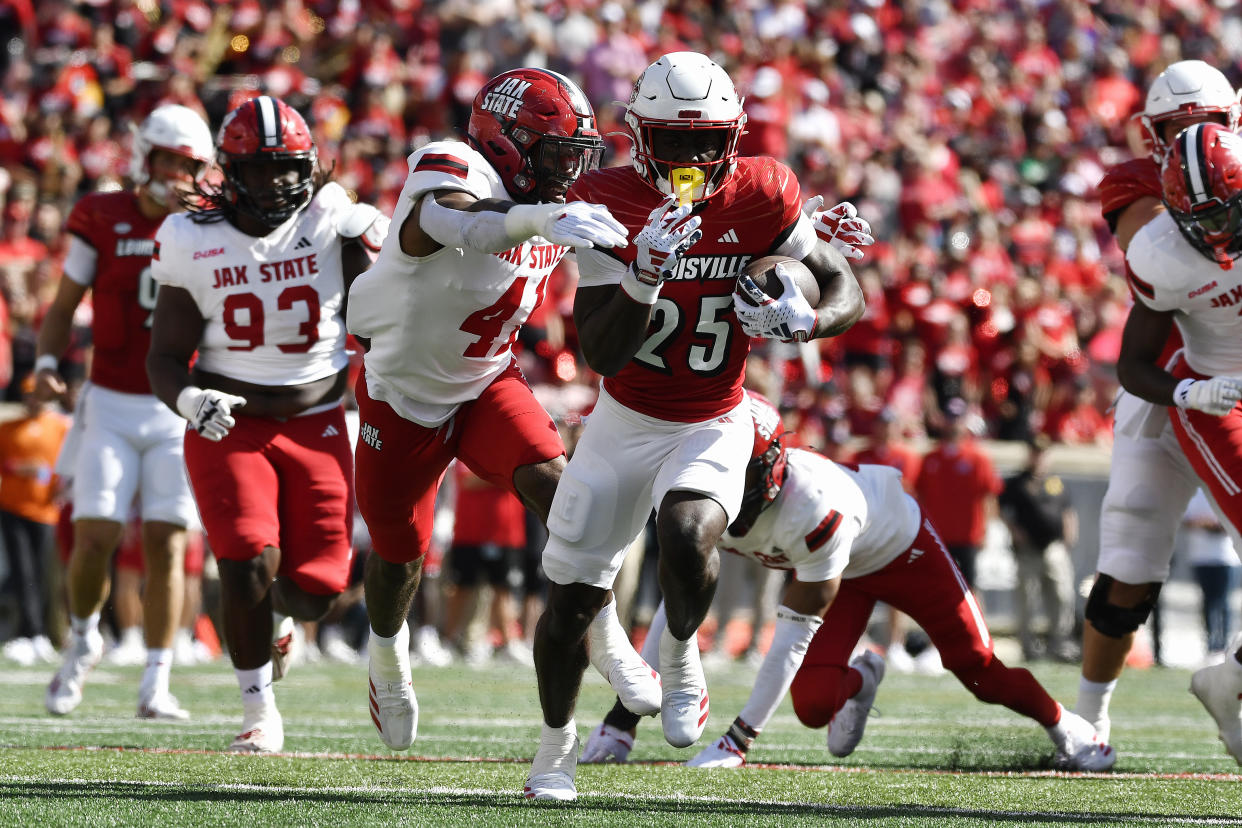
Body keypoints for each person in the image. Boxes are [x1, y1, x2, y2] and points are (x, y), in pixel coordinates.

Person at [525, 51, 865, 801]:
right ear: (641, 137)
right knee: (571, 601)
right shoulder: (605, 198)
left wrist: (805, 319)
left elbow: (847, 287)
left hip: (715, 415)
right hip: (625, 415)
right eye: (674, 143)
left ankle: (679, 654)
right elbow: (603, 350)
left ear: (734, 136)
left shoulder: (765, 189)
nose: (691, 158)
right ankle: (554, 753)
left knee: (687, 531)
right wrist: (643, 275)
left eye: (707, 140)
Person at [579, 392, 1114, 772]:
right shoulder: (706, 500)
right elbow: (680, 606)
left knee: (977, 668)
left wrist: (738, 741)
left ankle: (1067, 726)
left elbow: (790, 636)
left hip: (900, 549)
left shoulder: (812, 507)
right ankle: (865, 675)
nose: (727, 483)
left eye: (741, 470)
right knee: (813, 708)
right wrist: (622, 720)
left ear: (767, 465)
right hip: (833, 569)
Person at [345, 68, 638, 754]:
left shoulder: (560, 201)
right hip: (403, 397)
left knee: (563, 492)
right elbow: (455, 221)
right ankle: (387, 656)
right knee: (399, 553)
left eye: (577, 155)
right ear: (506, 142)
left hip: (486, 382)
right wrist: (540, 218)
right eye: (556, 151)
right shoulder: (452, 165)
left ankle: (608, 633)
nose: (570, 169)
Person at [146, 94, 386, 753]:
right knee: (247, 559)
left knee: (314, 592)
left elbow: (383, 309)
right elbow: (164, 356)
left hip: (319, 420)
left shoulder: (332, 220)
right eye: (259, 169)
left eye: (288, 168)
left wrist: (382, 238)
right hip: (231, 421)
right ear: (229, 170)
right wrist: (191, 402)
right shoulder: (192, 237)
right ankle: (258, 709)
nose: (277, 182)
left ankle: (279, 619)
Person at [1073, 61, 1241, 747]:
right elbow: (1165, 237)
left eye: (1204, 125)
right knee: (1132, 553)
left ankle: (1228, 680)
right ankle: (1089, 716)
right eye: (1175, 129)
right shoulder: (1157, 217)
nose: (1189, 139)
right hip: (1182, 383)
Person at [38, 104, 214, 720]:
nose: (178, 174)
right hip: (110, 398)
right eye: (168, 160)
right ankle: (82, 639)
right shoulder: (102, 215)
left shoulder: (207, 225)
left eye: (189, 164)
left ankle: (156, 679)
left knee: (169, 542)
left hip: (175, 404)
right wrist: (45, 364)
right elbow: (64, 304)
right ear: (146, 159)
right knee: (96, 535)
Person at [1118, 120, 1242, 765]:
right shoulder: (1160, 251)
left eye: (1229, 213)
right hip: (1220, 400)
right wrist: (1188, 394)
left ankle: (1231, 676)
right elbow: (1133, 363)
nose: (1217, 232)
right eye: (1201, 219)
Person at [0, 374, 70, 666]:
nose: (33, 399)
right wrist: (18, 467)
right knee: (22, 572)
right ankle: (28, 633)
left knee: (43, 574)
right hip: (13, 507)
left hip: (46, 511)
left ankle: (40, 634)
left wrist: (62, 485)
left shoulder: (60, 427)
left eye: (37, 394)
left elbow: (69, 465)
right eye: (28, 394)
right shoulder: (8, 428)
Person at [998, 434, 1079, 663]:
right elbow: (1002, 509)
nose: (1039, 457)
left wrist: (1070, 533)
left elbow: (1067, 509)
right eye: (1035, 452)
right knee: (1028, 597)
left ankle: (1060, 643)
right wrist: (1015, 531)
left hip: (1054, 547)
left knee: (1062, 595)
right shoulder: (1017, 482)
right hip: (1028, 549)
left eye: (1043, 453)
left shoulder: (1056, 482)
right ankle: (1028, 645)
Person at [1181, 489, 1241, 659]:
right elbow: (1187, 520)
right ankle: (1211, 645)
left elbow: (1228, 523)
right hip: (1200, 556)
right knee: (1208, 602)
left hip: (1226, 557)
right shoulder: (1196, 492)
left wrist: (1207, 524)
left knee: (1223, 602)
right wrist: (1205, 524)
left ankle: (1225, 644)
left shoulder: (1225, 489)